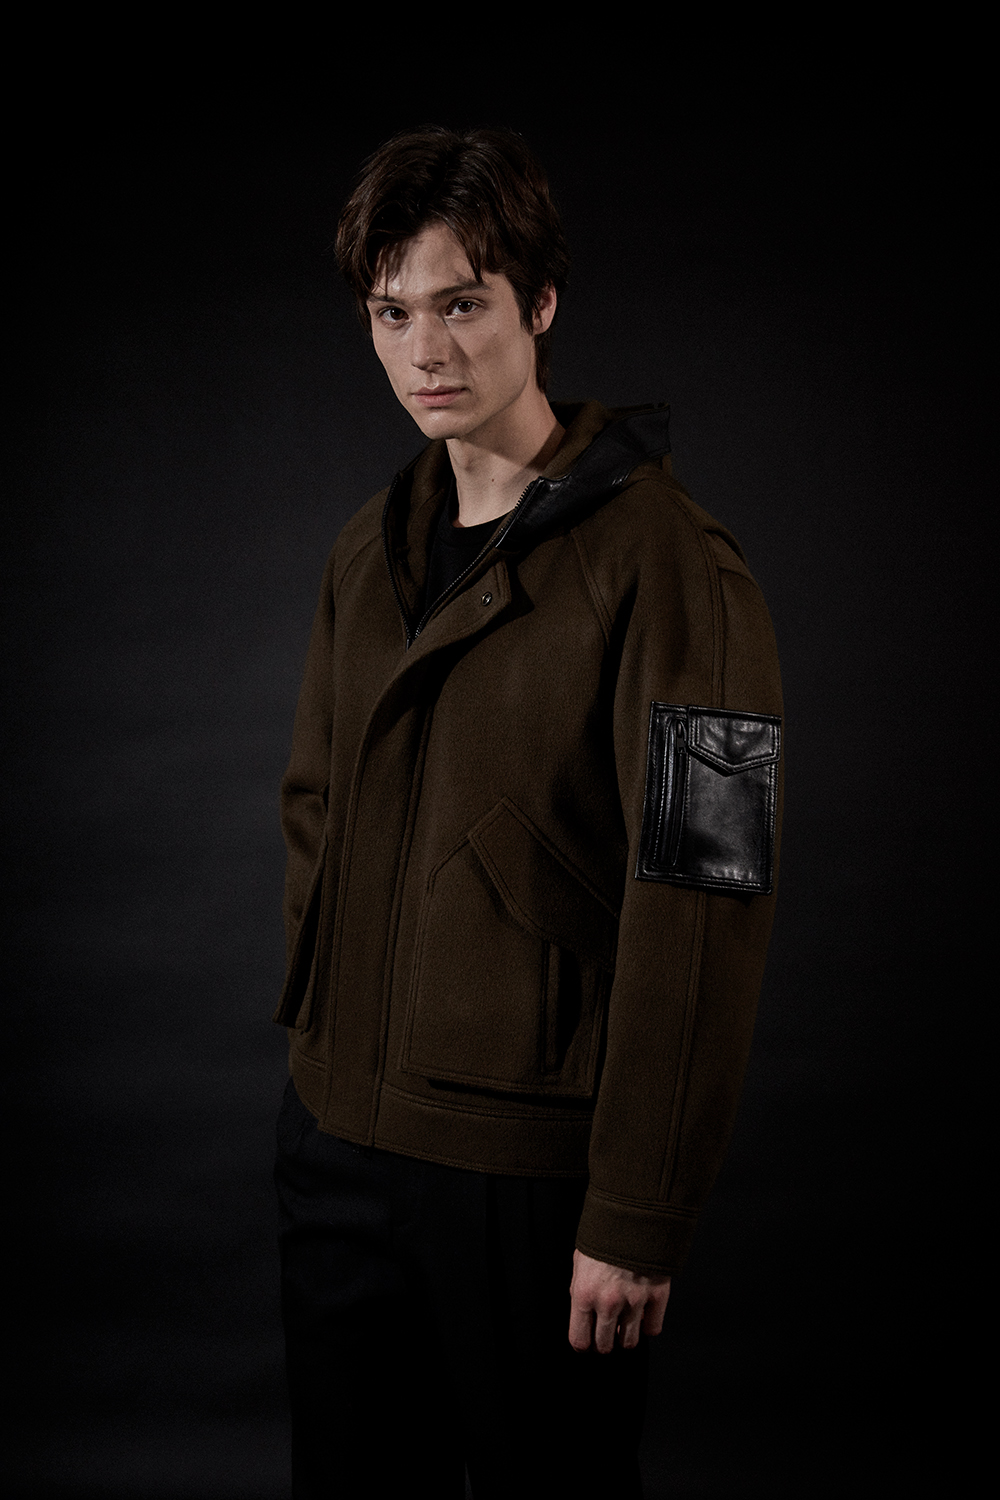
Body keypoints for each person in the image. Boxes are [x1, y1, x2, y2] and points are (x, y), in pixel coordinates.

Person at [273, 125, 783, 1499]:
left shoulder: (676, 566)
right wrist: (319, 1047)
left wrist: (638, 1209)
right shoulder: (368, 550)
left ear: (540, 304)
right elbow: (316, 805)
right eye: (392, 313)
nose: (426, 350)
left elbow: (709, 887)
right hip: (339, 1151)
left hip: (528, 1175)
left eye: (463, 303)